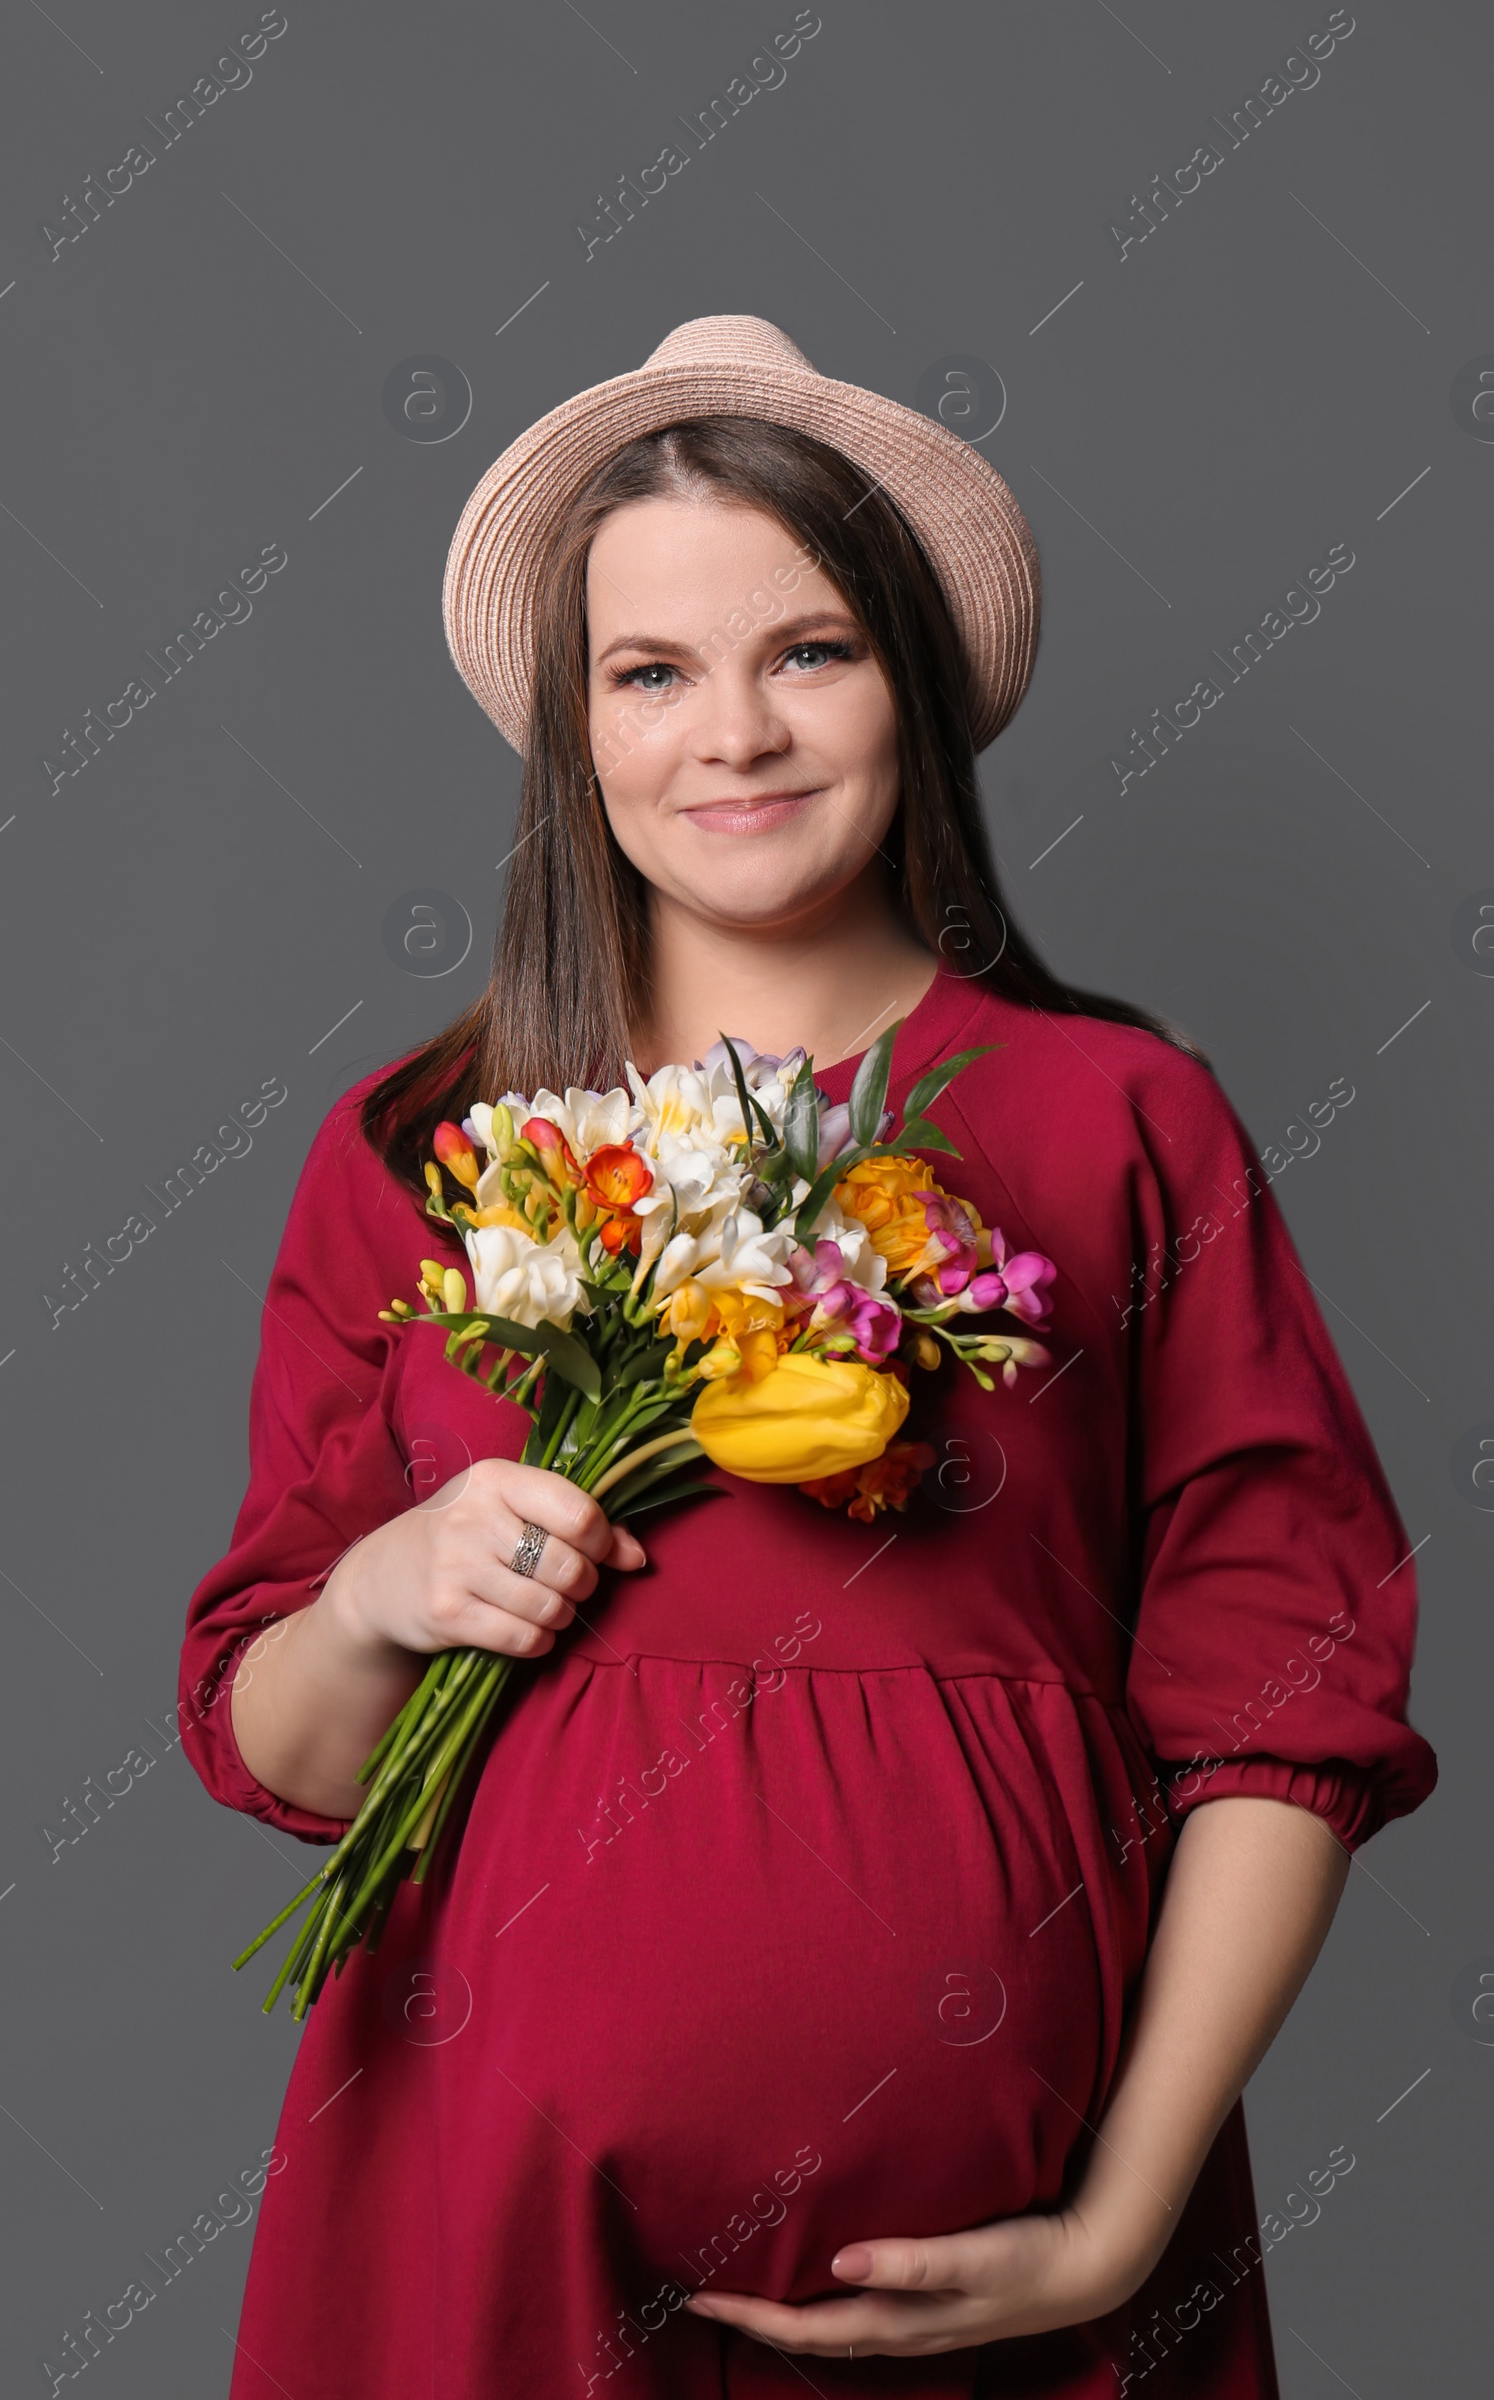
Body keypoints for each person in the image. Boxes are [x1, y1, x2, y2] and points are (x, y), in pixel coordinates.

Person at [179, 315, 1436, 2397]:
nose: (732, 734)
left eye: (810, 652)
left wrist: (1115, 2222)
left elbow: (1281, 1703)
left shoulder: (1119, 1123)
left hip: (1010, 2265)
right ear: (575, 734)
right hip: (478, 2226)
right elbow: (289, 1751)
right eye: (650, 673)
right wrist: (382, 1594)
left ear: (911, 692)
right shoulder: (423, 1151)